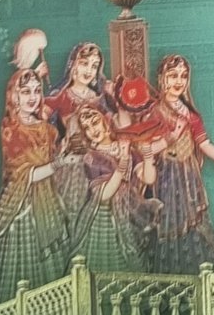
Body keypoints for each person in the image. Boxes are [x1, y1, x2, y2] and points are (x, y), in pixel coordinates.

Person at [126, 54, 214, 283]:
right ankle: (167, 286)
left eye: (183, 76)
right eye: (173, 76)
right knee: (166, 228)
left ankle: (201, 282)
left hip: (188, 179)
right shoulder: (154, 112)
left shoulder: (190, 115)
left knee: (194, 228)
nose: (178, 81)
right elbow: (144, 149)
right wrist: (170, 137)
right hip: (164, 178)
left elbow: (204, 144)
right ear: (162, 78)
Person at [0, 68, 71, 303]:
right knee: (22, 267)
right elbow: (23, 175)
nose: (33, 97)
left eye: (36, 90)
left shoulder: (47, 129)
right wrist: (58, 163)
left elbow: (53, 162)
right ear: (14, 96)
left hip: (48, 201)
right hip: (21, 202)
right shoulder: (10, 130)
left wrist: (64, 154)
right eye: (25, 92)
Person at [57, 104, 149, 273]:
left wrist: (148, 156)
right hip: (103, 218)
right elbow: (104, 195)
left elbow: (148, 178)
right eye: (87, 128)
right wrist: (122, 163)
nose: (93, 130)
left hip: (130, 212)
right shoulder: (92, 158)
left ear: (106, 121)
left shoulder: (128, 149)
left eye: (95, 122)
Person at [47, 41, 112, 146]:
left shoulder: (98, 96)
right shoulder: (60, 95)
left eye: (94, 66)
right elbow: (42, 120)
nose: (89, 71)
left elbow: (110, 124)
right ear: (73, 65)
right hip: (71, 149)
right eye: (84, 64)